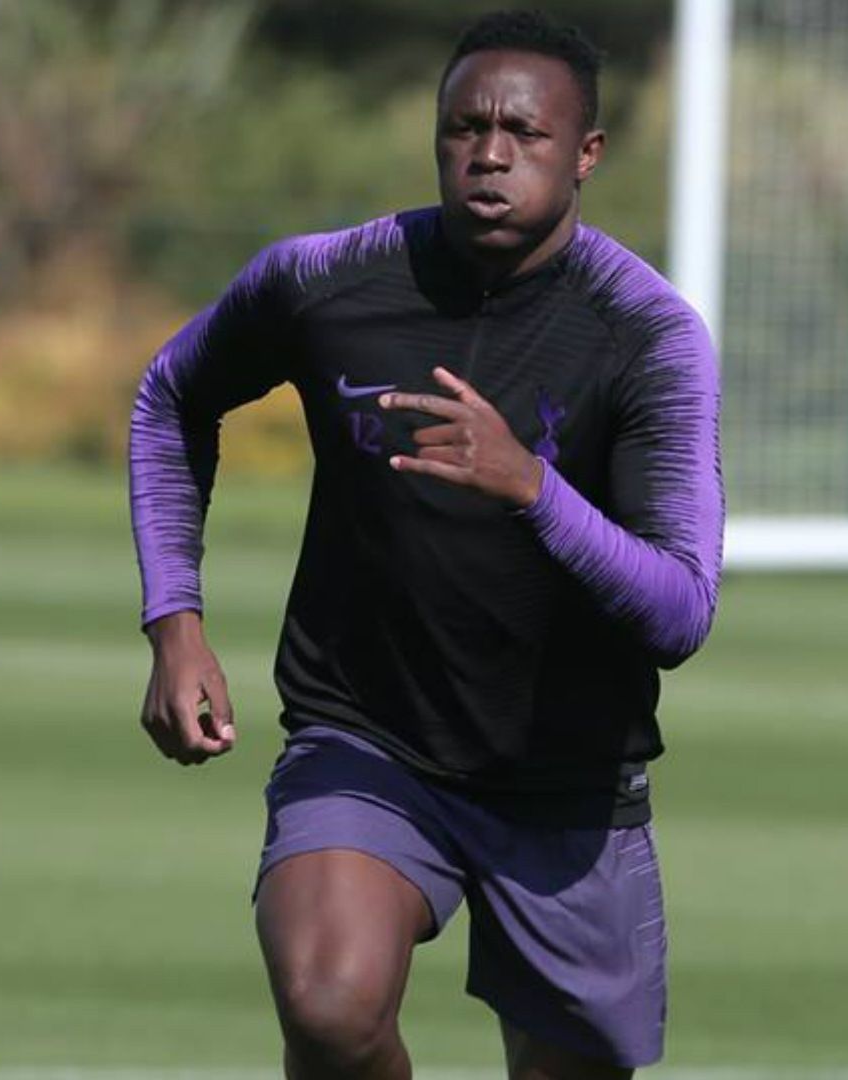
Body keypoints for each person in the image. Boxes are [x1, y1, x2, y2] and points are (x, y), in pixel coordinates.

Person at [127, 10, 723, 1079]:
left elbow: (680, 611)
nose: (489, 155)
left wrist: (531, 487)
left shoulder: (648, 336)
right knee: (327, 1007)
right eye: (464, 127)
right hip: (366, 740)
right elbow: (173, 395)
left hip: (569, 782)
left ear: (587, 153)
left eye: (524, 134)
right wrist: (175, 622)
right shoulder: (326, 283)